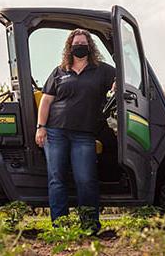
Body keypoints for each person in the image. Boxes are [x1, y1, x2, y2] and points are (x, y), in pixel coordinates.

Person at [35, 29, 116, 232]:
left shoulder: (102, 70)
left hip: (84, 134)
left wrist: (117, 87)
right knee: (57, 180)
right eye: (76, 44)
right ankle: (60, 227)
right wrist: (41, 127)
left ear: (90, 46)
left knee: (86, 180)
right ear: (70, 48)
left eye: (83, 43)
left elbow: (120, 84)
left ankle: (89, 225)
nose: (79, 46)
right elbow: (46, 100)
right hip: (55, 132)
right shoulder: (60, 71)